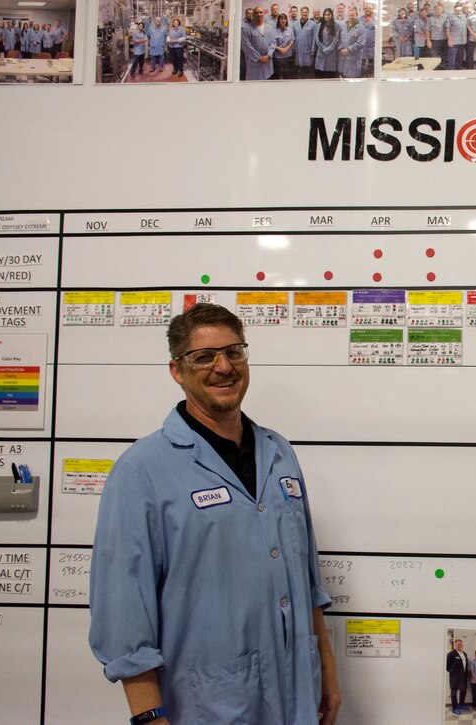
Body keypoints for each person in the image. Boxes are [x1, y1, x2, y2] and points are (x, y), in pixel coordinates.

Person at [88, 303, 341, 725]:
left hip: (297, 694)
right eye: (204, 356)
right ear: (176, 370)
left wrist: (327, 673)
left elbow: (308, 582)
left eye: (234, 352)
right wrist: (149, 716)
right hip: (206, 704)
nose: (224, 367)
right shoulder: (142, 470)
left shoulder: (279, 452)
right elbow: (122, 610)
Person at [242, 6, 275, 80]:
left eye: (260, 12)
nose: (259, 14)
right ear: (253, 15)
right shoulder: (247, 29)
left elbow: (273, 43)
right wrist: (259, 58)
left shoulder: (270, 28)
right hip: (254, 63)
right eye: (256, 13)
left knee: (266, 82)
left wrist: (269, 55)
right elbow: (246, 46)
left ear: (263, 14)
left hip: (267, 63)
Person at [314, 7, 339, 76]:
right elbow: (317, 38)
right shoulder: (320, 25)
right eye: (325, 15)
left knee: (330, 74)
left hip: (331, 53)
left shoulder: (336, 25)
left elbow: (336, 39)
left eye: (328, 14)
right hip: (321, 52)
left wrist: (328, 49)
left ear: (332, 15)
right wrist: (323, 48)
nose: (327, 16)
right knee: (321, 74)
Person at [445, 639, 468, 715]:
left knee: (463, 691)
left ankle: (461, 705)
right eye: (458, 644)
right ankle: (454, 708)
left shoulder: (464, 653)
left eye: (461, 644)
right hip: (454, 677)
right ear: (455, 645)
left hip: (463, 676)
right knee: (454, 693)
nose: (460, 645)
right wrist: (452, 672)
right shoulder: (451, 654)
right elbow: (446, 666)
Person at [293, 6, 317, 77]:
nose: (304, 13)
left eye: (306, 12)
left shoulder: (313, 24)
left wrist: (313, 50)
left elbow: (315, 38)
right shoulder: (295, 24)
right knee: (299, 70)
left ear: (308, 13)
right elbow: (293, 37)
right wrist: (294, 48)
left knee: (307, 70)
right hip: (298, 50)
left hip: (308, 51)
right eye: (303, 12)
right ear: (300, 13)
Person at [446, 2, 467, 68]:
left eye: (460, 9)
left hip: (462, 41)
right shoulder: (450, 16)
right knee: (452, 59)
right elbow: (447, 28)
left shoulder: (464, 16)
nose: (459, 10)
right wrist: (449, 40)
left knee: (460, 58)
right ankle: (451, 71)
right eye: (457, 9)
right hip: (453, 42)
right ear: (454, 9)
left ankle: (459, 71)